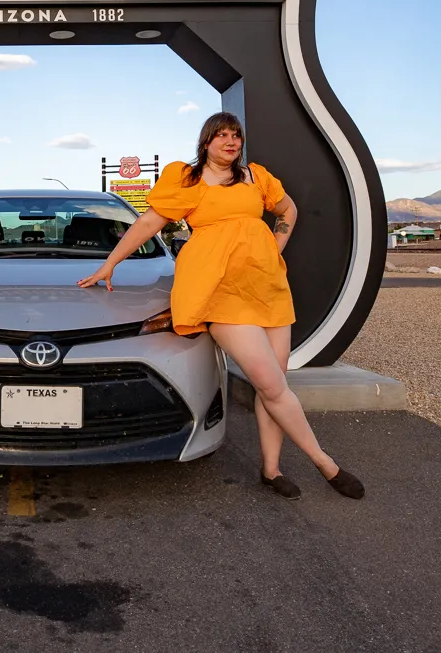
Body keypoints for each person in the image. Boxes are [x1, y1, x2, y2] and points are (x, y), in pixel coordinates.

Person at [78, 111, 364, 501]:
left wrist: (272, 251)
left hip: (267, 288)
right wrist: (109, 264)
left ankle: (271, 469)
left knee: (275, 386)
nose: (231, 142)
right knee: (271, 384)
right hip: (220, 292)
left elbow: (288, 211)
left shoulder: (256, 177)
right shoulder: (187, 180)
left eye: (236, 135)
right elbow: (147, 224)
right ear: (206, 141)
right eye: (222, 135)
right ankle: (326, 464)